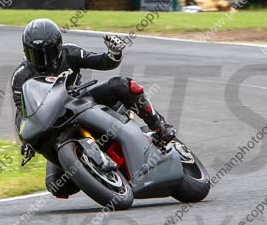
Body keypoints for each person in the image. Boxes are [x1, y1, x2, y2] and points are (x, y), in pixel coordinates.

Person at [10, 18, 175, 198]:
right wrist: (27, 141)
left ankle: (159, 125)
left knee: (121, 85)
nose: (42, 60)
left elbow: (102, 62)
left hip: (83, 102)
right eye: (36, 54)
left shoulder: (70, 52)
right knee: (57, 187)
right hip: (55, 124)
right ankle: (91, 172)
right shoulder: (21, 76)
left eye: (47, 52)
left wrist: (114, 54)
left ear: (58, 46)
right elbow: (23, 111)